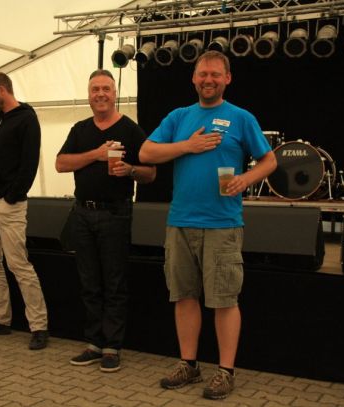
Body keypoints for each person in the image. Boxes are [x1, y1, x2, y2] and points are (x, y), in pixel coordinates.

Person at [139, 51, 277, 399]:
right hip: (180, 222)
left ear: (227, 78)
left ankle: (225, 371)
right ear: (194, 78)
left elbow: (270, 160)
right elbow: (145, 153)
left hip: (222, 224)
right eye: (203, 74)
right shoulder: (179, 117)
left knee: (224, 300)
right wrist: (188, 145)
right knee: (184, 296)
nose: (208, 80)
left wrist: (246, 179)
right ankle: (189, 364)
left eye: (215, 74)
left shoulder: (241, 118)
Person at [55, 69, 156, 372]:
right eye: (95, 89)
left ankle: (112, 346)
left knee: (114, 282)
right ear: (89, 95)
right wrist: (96, 154)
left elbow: (151, 173)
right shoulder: (80, 129)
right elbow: (61, 163)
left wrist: (130, 170)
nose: (100, 94)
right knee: (89, 282)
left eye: (106, 89)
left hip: (115, 213)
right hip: (83, 213)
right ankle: (94, 344)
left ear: (115, 94)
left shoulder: (130, 129)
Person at [0, 72, 49, 350]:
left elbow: (29, 163)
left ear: (2, 90)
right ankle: (1, 319)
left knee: (18, 264)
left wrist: (11, 197)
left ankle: (39, 326)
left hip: (9, 204)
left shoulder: (27, 118)